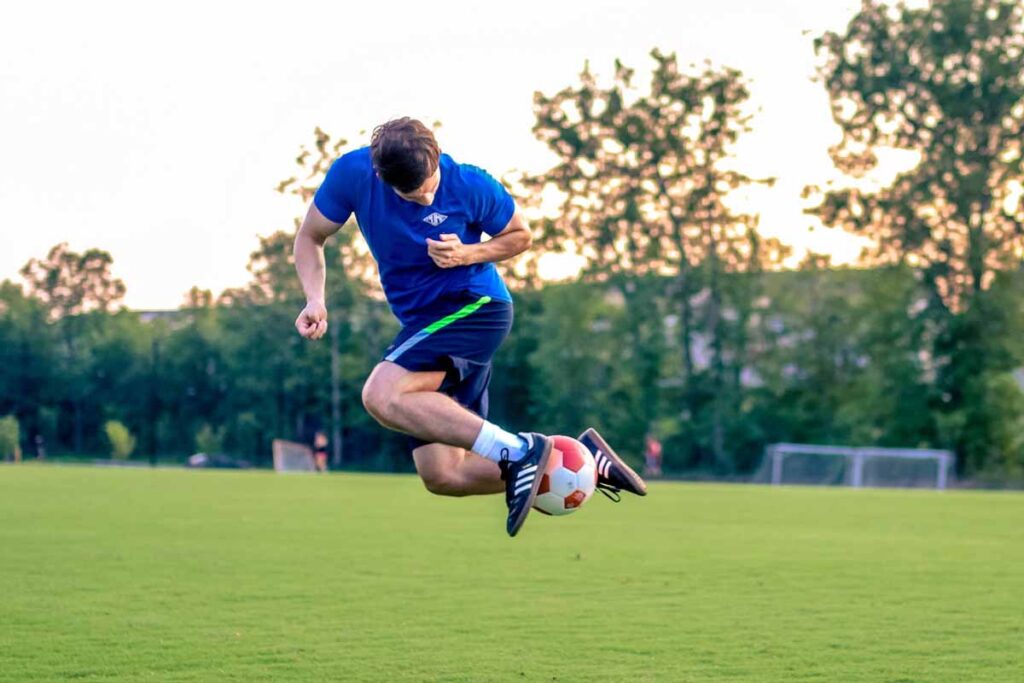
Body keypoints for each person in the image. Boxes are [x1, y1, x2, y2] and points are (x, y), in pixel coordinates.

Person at [293, 118, 644, 537]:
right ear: (381, 177)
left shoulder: (470, 184)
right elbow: (310, 237)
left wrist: (469, 253)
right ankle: (583, 463)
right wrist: (316, 298)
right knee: (444, 475)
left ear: (437, 157)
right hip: (424, 322)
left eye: (429, 186)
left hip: (475, 307)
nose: (425, 199)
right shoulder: (352, 174)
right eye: (411, 194)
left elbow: (520, 235)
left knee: (380, 395)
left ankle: (521, 451)